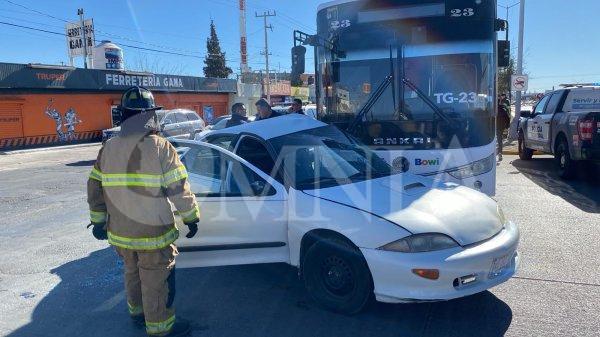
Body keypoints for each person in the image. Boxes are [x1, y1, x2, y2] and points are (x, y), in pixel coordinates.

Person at [87, 86, 199, 337]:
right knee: (156, 280)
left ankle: (137, 313)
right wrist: (191, 217)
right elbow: (178, 188)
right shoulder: (161, 147)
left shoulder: (109, 148)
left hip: (120, 233)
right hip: (154, 233)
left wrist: (97, 221)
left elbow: (94, 186)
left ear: (123, 116)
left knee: (131, 272)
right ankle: (159, 328)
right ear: (151, 116)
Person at [497, 94, 511, 161]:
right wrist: (507, 126)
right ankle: (500, 153)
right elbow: (508, 118)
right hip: (501, 127)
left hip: (492, 128)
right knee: (500, 141)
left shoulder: (491, 110)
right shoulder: (503, 109)